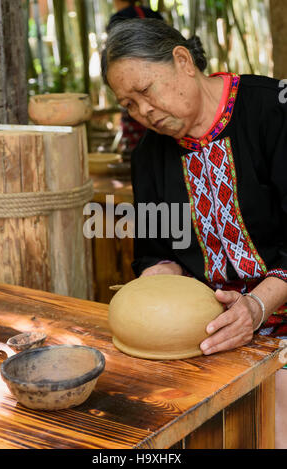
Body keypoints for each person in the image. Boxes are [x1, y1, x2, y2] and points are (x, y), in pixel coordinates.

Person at [101, 18, 287, 448]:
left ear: (182, 61)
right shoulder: (150, 154)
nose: (142, 112)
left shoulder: (271, 112)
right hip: (206, 333)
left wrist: (258, 307)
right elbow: (155, 249)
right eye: (128, 104)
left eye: (145, 91)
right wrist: (156, 280)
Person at [107, 1, 164, 156]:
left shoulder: (118, 18)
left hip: (131, 79)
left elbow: (114, 53)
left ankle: (138, 159)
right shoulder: (153, 14)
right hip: (158, 78)